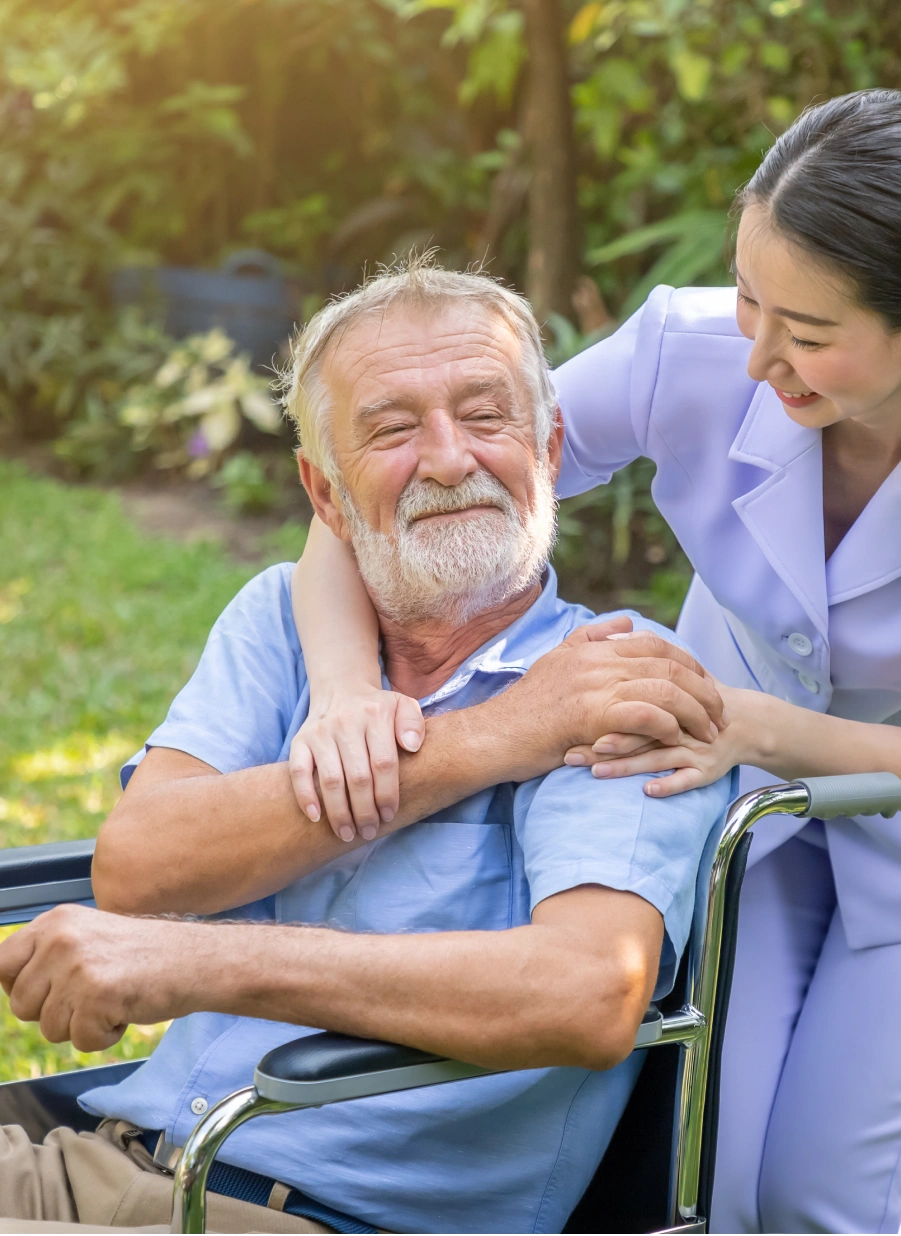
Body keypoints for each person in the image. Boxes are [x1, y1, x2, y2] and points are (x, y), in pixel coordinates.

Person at [289, 91, 901, 1234]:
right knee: (712, 1188)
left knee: (819, 1199)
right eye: (748, 298)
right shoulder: (687, 353)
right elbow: (394, 493)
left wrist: (726, 720)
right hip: (748, 819)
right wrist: (342, 691)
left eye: (808, 333)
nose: (758, 354)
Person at [0, 262, 730, 1235]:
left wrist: (197, 963)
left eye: (486, 415)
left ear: (550, 449)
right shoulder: (279, 619)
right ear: (326, 493)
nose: (447, 459)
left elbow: (589, 990)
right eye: (391, 429)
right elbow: (138, 865)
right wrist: (491, 739)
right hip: (95, 1161)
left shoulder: (614, 676)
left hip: (312, 1216)